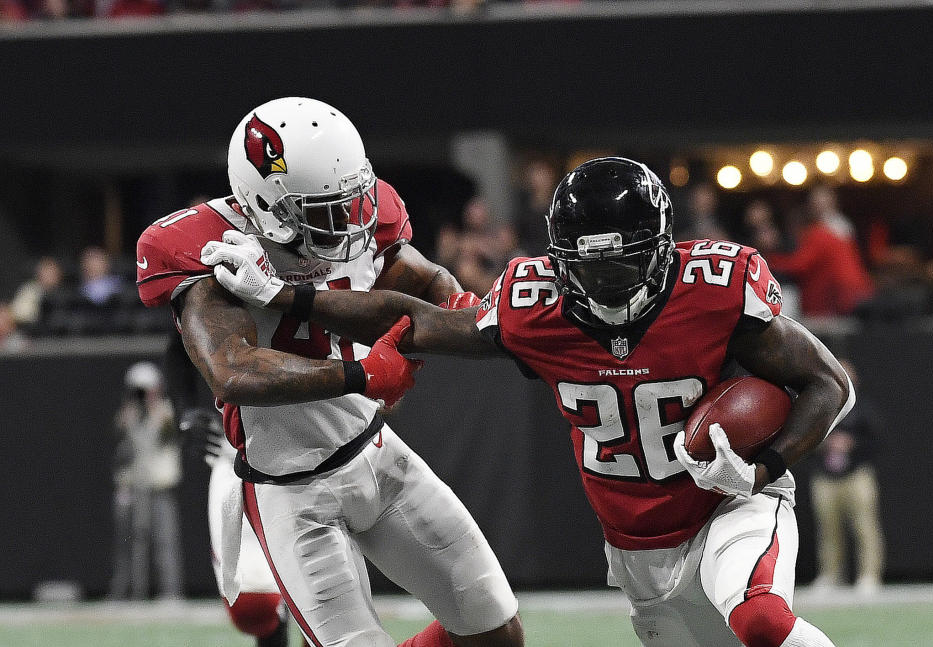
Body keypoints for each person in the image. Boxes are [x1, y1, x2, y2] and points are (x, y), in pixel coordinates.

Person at [206, 157, 855, 647]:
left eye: (620, 266)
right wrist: (287, 296)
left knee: (762, 619)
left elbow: (830, 383)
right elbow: (415, 318)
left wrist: (760, 468)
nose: (602, 286)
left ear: (662, 250)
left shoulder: (715, 287)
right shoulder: (536, 303)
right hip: (636, 543)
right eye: (587, 267)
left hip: (728, 505)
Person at [136, 97, 522, 647]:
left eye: (352, 201)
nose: (348, 221)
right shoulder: (208, 248)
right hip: (292, 492)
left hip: (378, 454)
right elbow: (232, 370)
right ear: (266, 205)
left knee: (495, 633)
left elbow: (421, 277)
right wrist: (362, 377)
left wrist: (460, 303)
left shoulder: (365, 214)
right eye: (323, 209)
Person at [164, 334, 297, 647]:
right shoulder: (218, 288)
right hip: (236, 450)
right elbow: (178, 343)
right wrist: (183, 410)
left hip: (315, 442)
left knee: (328, 590)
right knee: (253, 604)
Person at [108, 361, 184, 600]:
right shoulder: (128, 414)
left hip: (160, 486)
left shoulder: (165, 411)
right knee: (129, 542)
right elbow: (121, 437)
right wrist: (131, 412)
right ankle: (129, 591)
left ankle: (170, 592)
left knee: (165, 541)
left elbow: (167, 427)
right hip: (133, 485)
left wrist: (153, 408)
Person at [809, 359, 884, 595]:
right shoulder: (820, 407)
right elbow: (805, 439)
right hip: (826, 477)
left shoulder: (864, 408)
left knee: (865, 527)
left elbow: (877, 441)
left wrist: (852, 444)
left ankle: (869, 576)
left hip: (857, 476)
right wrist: (826, 444)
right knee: (828, 529)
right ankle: (831, 575)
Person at [764, 186, 874, 317]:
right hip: (854, 291)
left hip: (842, 296)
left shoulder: (822, 233)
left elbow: (799, 265)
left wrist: (766, 260)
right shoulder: (836, 230)